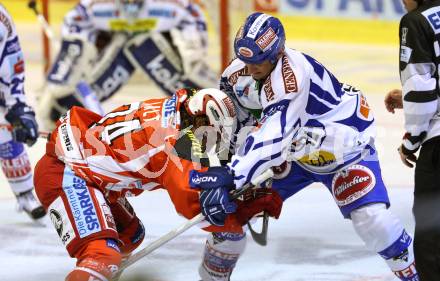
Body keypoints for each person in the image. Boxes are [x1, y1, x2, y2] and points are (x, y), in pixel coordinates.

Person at [191, 12, 420, 281]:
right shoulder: (236, 75)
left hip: (342, 146)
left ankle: (417, 275)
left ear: (277, 53)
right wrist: (224, 165)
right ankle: (211, 278)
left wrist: (232, 175)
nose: (251, 68)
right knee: (230, 214)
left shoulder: (292, 78)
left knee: (373, 220)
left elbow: (273, 136)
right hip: (294, 151)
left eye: (259, 61)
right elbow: (235, 123)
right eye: (246, 60)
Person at [34, 87, 281, 281]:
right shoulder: (176, 144)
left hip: (89, 173)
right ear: (199, 123)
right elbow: (194, 204)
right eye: (211, 136)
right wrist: (240, 212)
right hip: (68, 175)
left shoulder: (180, 106)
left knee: (130, 235)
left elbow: (196, 168)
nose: (212, 146)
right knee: (103, 254)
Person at [38, 0, 217, 130]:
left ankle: (200, 105)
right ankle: (64, 109)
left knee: (182, 77)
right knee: (76, 90)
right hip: (117, 45)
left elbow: (192, 14)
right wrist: (70, 62)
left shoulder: (168, 6)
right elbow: (75, 20)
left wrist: (193, 52)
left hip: (154, 45)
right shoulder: (96, 6)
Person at [384, 0, 440, 279]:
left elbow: (422, 89)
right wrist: (408, 97)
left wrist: (410, 142)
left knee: (432, 237)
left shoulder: (416, 21)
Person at [0, 4, 45, 221]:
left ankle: (25, 193)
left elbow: (11, 62)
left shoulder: (2, 21)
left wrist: (18, 107)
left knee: (6, 133)